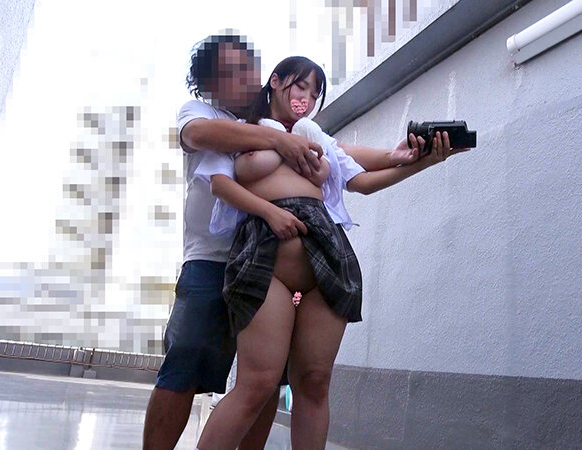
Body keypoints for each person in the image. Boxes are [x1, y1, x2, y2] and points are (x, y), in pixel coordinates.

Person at [142, 35, 425, 450]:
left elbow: (349, 163)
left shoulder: (302, 132)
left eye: (247, 68)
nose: (245, 78)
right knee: (198, 368)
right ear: (210, 82)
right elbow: (206, 149)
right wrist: (275, 167)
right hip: (223, 258)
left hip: (316, 255)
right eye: (231, 71)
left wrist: (411, 158)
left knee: (291, 379)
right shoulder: (222, 124)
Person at [194, 56, 467, 450]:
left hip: (325, 256)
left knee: (314, 381)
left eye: (314, 92)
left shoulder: (316, 138)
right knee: (258, 382)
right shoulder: (243, 130)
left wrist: (423, 161)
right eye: (299, 85)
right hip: (264, 258)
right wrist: (269, 212)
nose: (305, 97)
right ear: (276, 82)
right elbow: (219, 183)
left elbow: (363, 180)